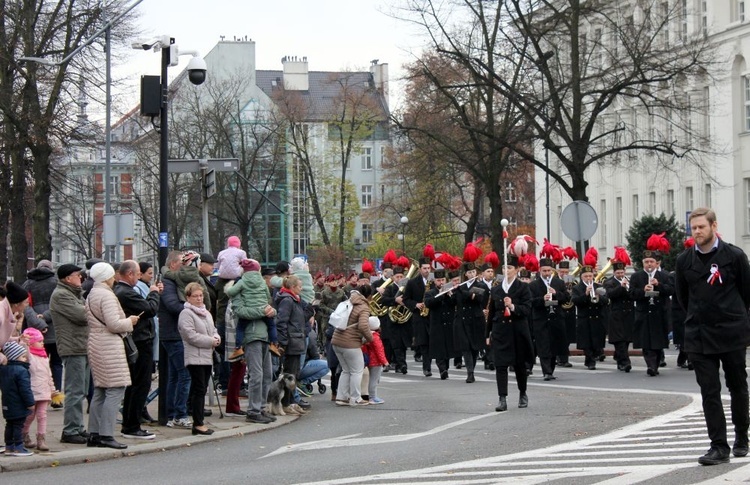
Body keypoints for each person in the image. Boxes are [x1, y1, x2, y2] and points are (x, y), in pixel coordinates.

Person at [675, 207, 750, 466]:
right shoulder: (684, 261)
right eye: (693, 227)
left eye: (701, 227)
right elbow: (683, 298)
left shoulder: (735, 256)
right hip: (699, 334)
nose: (696, 232)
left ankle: (742, 436)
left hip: (731, 332)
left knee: (738, 386)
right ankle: (718, 446)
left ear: (713, 226)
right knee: (709, 391)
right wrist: (696, 318)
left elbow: (746, 293)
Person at [85, 262, 138, 450]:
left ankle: (94, 433)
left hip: (96, 343)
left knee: (100, 390)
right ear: (106, 276)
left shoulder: (92, 293)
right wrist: (130, 321)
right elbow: (113, 324)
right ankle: (106, 434)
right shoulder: (106, 295)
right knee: (115, 389)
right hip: (108, 345)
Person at [226, 259, 277, 424]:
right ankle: (253, 411)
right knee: (257, 375)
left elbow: (268, 304)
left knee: (267, 374)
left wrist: (271, 311)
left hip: (264, 337)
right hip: (252, 336)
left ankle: (261, 408)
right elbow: (240, 311)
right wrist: (263, 311)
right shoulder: (241, 290)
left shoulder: (255, 286)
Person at [114, 260, 161, 440]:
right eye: (137, 274)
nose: (139, 277)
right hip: (140, 341)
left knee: (135, 384)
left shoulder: (123, 291)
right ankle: (132, 425)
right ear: (130, 274)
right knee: (140, 384)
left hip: (139, 339)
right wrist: (154, 294)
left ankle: (130, 423)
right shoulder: (126, 292)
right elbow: (149, 310)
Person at [49, 264, 90, 445]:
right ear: (67, 278)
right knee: (75, 389)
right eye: (77, 275)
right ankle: (70, 430)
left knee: (82, 388)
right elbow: (83, 315)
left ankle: (78, 427)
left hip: (81, 345)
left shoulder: (73, 293)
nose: (80, 278)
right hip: (73, 346)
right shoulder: (61, 295)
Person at [486, 254, 533, 412]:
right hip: (501, 331)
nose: (507, 270)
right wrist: (488, 334)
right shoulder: (496, 289)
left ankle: (522, 393)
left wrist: (513, 306)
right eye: (505, 267)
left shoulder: (523, 287)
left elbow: (527, 309)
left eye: (510, 268)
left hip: (517, 331)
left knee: (519, 365)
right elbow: (492, 313)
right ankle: (502, 398)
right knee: (500, 366)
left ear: (517, 270)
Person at [178, 282, 221, 435]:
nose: (199, 299)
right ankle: (198, 423)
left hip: (206, 356)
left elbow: (213, 329)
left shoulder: (206, 313)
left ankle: (199, 421)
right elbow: (190, 335)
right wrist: (210, 341)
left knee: (201, 389)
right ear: (188, 297)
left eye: (200, 295)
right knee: (199, 389)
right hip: (195, 356)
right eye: (195, 296)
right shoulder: (186, 313)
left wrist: (216, 337)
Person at [158, 250, 193, 429]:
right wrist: (193, 306)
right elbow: (172, 305)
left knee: (174, 376)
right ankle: (180, 414)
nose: (185, 264)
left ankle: (171, 414)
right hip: (173, 334)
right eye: (182, 261)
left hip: (174, 333)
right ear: (173, 264)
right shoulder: (167, 282)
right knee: (184, 375)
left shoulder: (173, 281)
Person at [630, 237, 673, 376]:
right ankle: (651, 366)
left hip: (659, 313)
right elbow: (631, 293)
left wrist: (658, 285)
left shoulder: (664, 275)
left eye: (651, 262)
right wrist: (643, 290)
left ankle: (656, 363)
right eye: (646, 262)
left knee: (658, 343)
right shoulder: (637, 276)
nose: (649, 264)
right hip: (644, 313)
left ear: (656, 263)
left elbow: (670, 290)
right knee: (646, 343)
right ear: (643, 263)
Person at [22, 260, 62, 396]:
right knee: (56, 364)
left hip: (34, 332)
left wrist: (37, 321)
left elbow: (25, 307)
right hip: (56, 328)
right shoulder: (57, 283)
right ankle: (57, 395)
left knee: (34, 364)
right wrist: (44, 317)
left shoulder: (28, 284)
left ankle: (37, 393)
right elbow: (58, 305)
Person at [528, 257, 570, 381]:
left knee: (554, 346)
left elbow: (567, 298)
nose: (547, 273)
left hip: (556, 318)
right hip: (541, 319)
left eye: (549, 271)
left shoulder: (559, 283)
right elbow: (530, 302)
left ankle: (551, 369)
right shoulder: (533, 285)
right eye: (544, 271)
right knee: (543, 345)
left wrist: (556, 293)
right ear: (540, 270)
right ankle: (546, 371)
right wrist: (542, 299)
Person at [331, 285, 373, 406]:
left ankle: (341, 397)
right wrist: (370, 338)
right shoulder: (363, 307)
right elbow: (363, 326)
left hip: (336, 340)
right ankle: (356, 398)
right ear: (368, 296)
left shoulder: (348, 301)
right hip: (350, 342)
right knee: (357, 371)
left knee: (346, 370)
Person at [274, 275, 309, 410]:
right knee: (290, 374)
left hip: (295, 339)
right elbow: (282, 321)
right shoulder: (287, 300)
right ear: (293, 287)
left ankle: (289, 401)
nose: (301, 289)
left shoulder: (294, 299)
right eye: (299, 286)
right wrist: (284, 342)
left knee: (293, 373)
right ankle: (285, 403)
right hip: (291, 341)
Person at [21, 327, 56, 452]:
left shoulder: (45, 357)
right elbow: (24, 349)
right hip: (32, 391)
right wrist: (25, 341)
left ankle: (41, 439)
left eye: (42, 340)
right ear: (31, 343)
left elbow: (49, 374)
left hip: (44, 391)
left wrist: (52, 389)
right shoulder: (29, 356)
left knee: (42, 415)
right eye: (39, 340)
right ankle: (23, 435)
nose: (42, 343)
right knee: (30, 415)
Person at [572, 257, 609, 370]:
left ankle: (592, 357)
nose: (588, 278)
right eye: (586, 276)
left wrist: (598, 297)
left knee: (596, 341)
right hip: (585, 318)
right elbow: (575, 301)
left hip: (597, 318)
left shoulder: (598, 286)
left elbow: (606, 300)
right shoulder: (577, 288)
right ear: (581, 277)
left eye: (590, 276)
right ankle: (590, 360)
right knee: (586, 342)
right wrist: (586, 294)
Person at [0, 341, 35, 456]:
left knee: (9, 424)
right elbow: (25, 389)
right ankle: (18, 447)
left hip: (7, 403)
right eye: (23, 356)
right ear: (15, 357)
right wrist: (30, 403)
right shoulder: (21, 371)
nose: (25, 359)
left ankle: (9, 446)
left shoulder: (3, 370)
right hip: (18, 404)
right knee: (18, 425)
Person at [453, 263, 485, 384]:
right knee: (465, 347)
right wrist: (450, 292)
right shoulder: (461, 286)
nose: (472, 274)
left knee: (474, 347)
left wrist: (461, 291)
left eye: (473, 272)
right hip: (462, 320)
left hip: (476, 320)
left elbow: (478, 298)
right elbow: (455, 301)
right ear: (466, 274)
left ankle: (472, 369)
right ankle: (470, 372)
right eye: (469, 272)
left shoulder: (480, 285)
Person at [400, 257, 432, 376]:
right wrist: (416, 304)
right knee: (424, 343)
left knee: (433, 342)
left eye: (428, 268)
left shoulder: (434, 281)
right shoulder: (412, 282)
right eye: (424, 268)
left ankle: (442, 367)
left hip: (432, 316)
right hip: (419, 317)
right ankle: (426, 368)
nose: (427, 271)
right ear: (419, 269)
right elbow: (406, 299)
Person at [424, 268, 457, 380]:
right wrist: (442, 295)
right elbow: (429, 303)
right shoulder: (430, 293)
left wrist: (450, 295)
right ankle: (442, 369)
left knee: (447, 349)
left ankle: (446, 368)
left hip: (448, 324)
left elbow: (454, 303)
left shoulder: (450, 291)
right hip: (437, 325)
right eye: (438, 280)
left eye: (442, 280)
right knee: (439, 350)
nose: (441, 282)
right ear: (435, 281)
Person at [604, 262, 634, 372]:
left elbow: (632, 294)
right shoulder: (609, 282)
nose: (620, 274)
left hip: (628, 314)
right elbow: (610, 294)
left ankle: (619, 358)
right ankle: (625, 362)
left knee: (626, 339)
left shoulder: (629, 281)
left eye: (622, 272)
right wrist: (621, 287)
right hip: (616, 314)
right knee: (619, 339)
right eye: (618, 273)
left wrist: (628, 287)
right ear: (614, 272)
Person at [362, 316, 387, 404]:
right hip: (376, 361)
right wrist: (384, 361)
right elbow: (379, 350)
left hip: (369, 360)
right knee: (374, 380)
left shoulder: (366, 335)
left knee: (372, 379)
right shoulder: (375, 337)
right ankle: (373, 397)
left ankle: (371, 396)